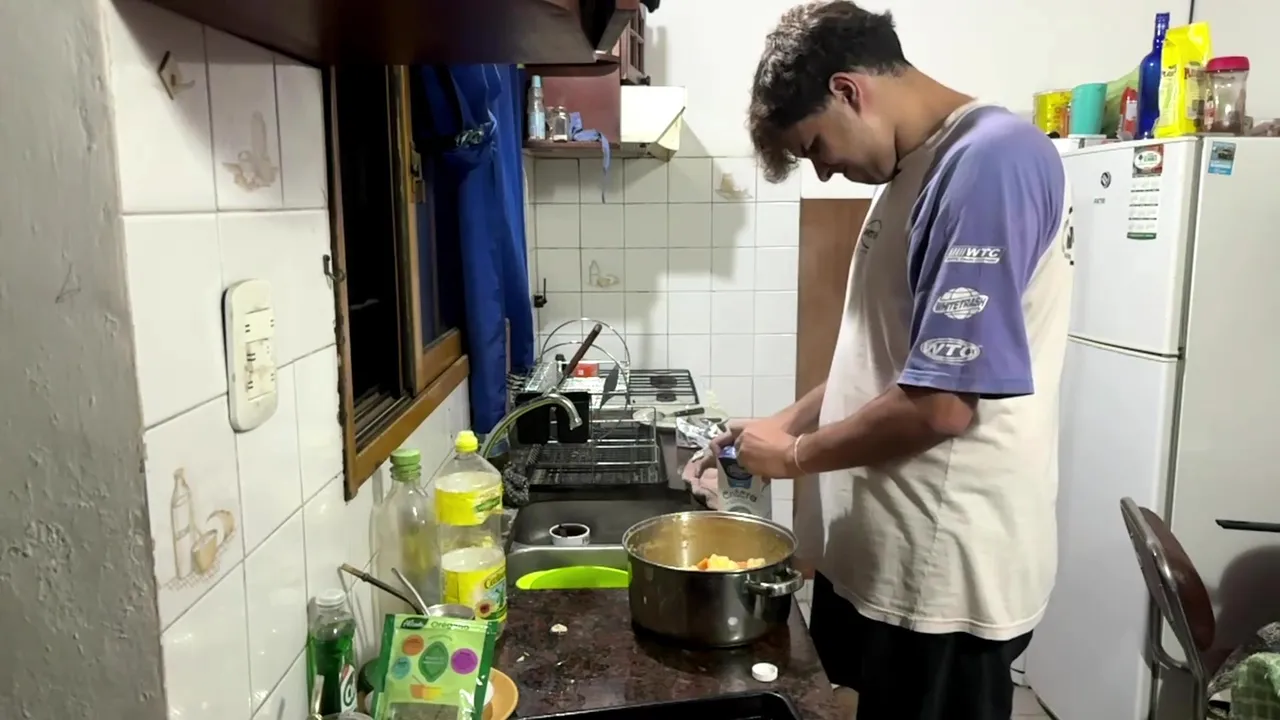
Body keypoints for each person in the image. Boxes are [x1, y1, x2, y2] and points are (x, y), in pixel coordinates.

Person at [713, 2, 1075, 719]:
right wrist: (785, 421)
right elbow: (887, 357)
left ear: (849, 91)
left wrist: (794, 456)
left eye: (816, 147)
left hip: (941, 574)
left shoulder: (989, 163)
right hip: (887, 557)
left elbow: (940, 405)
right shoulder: (914, 170)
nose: (824, 172)